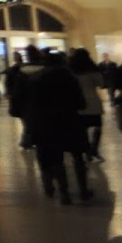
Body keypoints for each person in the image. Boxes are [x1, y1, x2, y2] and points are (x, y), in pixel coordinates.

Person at [31, 49, 91, 203]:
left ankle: (64, 192)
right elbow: (80, 102)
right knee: (78, 156)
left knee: (57, 158)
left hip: (48, 122)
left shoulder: (38, 78)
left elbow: (35, 103)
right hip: (70, 120)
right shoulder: (69, 77)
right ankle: (83, 189)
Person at [70, 48, 105, 162]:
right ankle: (94, 150)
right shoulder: (92, 70)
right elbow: (101, 83)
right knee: (97, 127)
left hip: (77, 103)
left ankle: (86, 150)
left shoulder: (71, 71)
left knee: (82, 129)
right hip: (93, 102)